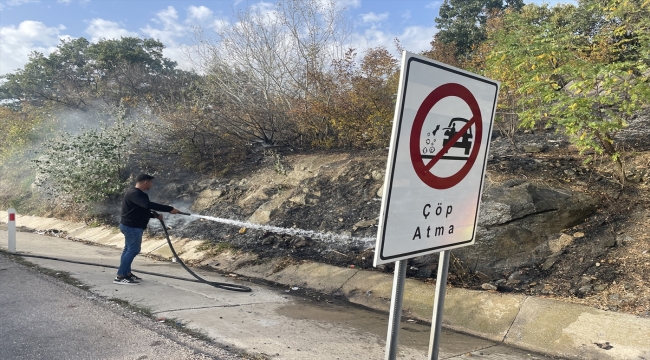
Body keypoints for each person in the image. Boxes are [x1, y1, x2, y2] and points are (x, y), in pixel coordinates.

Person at [115, 174, 179, 285]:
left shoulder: (138, 194)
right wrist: (169, 209)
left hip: (131, 226)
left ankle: (127, 274)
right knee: (133, 250)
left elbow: (141, 210)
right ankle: (120, 276)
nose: (151, 185)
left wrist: (155, 216)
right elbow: (148, 205)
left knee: (128, 250)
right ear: (145, 182)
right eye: (150, 182)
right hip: (132, 227)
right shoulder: (134, 193)